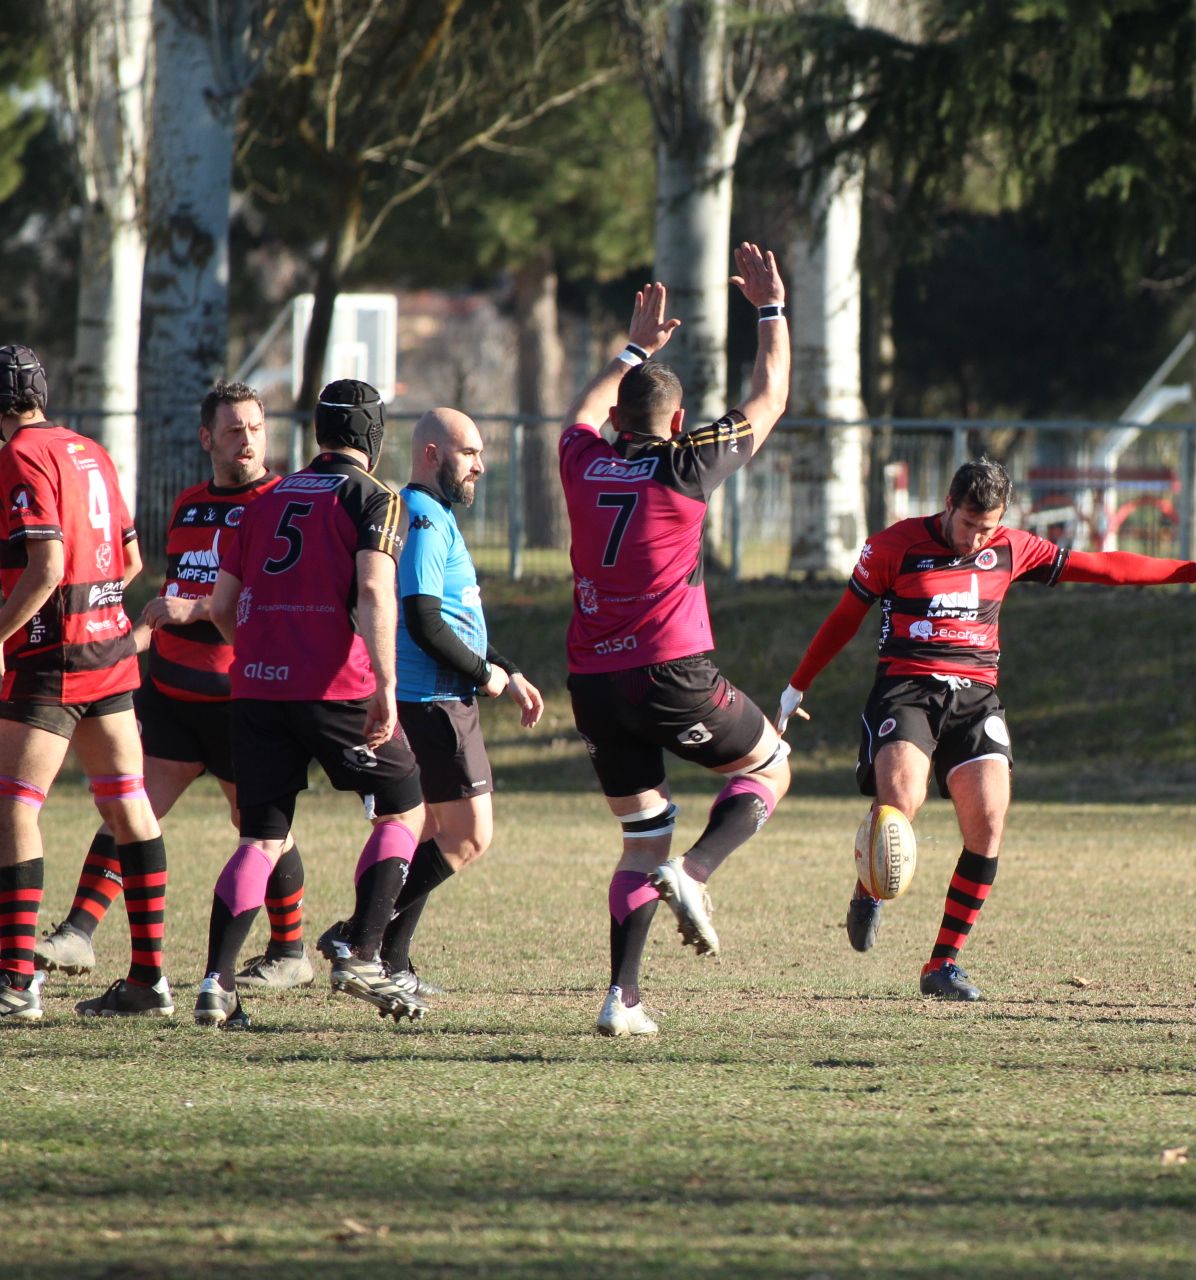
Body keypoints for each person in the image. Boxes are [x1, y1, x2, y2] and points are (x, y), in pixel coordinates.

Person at [778, 458, 1196, 1002]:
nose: (976, 538)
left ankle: (942, 964)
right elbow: (845, 616)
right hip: (906, 689)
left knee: (987, 821)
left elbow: (1101, 566)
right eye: (968, 524)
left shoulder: (1011, 548)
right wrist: (797, 686)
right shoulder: (894, 546)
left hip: (976, 698)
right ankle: (871, 888)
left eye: (987, 527)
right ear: (949, 504)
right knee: (900, 802)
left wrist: (1191, 571)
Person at [558, 244, 792, 1037]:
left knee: (640, 832)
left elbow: (578, 417)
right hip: (669, 671)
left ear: (618, 420)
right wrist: (769, 309)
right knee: (773, 767)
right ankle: (693, 873)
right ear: (680, 421)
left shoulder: (582, 462)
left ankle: (621, 999)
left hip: (592, 680)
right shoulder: (688, 465)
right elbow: (771, 394)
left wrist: (633, 350)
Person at [35, 382, 313, 989]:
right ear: (206, 437)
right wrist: (125, 644)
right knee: (127, 809)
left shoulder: (280, 502)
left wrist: (196, 610)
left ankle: (291, 951)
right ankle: (79, 932)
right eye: (234, 429)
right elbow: (171, 598)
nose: (247, 441)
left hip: (242, 699)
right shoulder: (189, 505)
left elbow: (268, 604)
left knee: (262, 828)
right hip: (174, 698)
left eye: (255, 428)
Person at [194, 379, 428, 1029]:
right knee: (404, 810)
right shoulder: (374, 497)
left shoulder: (265, 500)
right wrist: (385, 683)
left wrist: (268, 652)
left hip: (256, 688)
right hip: (336, 688)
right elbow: (376, 592)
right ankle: (362, 952)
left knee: (261, 838)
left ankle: (215, 983)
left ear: (319, 432)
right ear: (374, 438)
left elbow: (219, 608)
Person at [313, 408, 543, 995]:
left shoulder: (434, 513)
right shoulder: (419, 514)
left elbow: (458, 616)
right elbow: (420, 619)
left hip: (437, 696)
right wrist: (485, 674)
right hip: (433, 699)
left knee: (431, 831)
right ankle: (356, 935)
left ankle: (391, 958)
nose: (481, 466)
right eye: (470, 453)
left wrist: (509, 670)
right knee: (468, 837)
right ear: (433, 454)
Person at [0, 344, 169, 1021]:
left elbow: (46, 565)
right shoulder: (88, 449)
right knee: (127, 801)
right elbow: (129, 561)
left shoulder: (19, 456)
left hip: (53, 657)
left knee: (14, 804)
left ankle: (14, 984)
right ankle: (150, 980)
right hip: (110, 647)